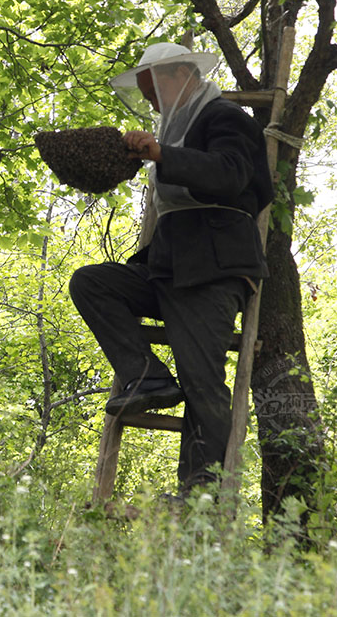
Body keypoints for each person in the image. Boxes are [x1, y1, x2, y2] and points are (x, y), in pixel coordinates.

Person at [69, 42, 273, 493]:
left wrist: (162, 154)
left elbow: (230, 174)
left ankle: (200, 493)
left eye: (153, 89)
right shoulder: (177, 130)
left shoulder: (226, 119)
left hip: (214, 268)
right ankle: (147, 378)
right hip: (167, 268)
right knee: (92, 283)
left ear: (182, 75)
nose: (150, 102)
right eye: (144, 94)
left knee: (201, 380)